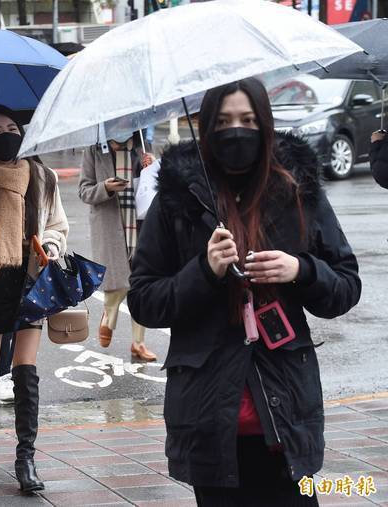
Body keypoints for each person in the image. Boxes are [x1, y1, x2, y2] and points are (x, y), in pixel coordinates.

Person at [128, 78, 361, 506]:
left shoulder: (296, 190)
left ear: (266, 125)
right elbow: (143, 299)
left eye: (248, 120)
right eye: (225, 121)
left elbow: (346, 285)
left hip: (287, 414)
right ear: (207, 128)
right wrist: (203, 270)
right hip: (210, 419)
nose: (237, 131)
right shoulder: (178, 199)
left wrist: (301, 270)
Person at [0, 104, 68, 493]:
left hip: (31, 276)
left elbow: (58, 224)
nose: (5, 135)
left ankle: (26, 458)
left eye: (11, 127)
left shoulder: (42, 175)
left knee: (25, 367)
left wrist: (50, 247)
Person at [78, 136, 157, 361]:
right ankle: (108, 318)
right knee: (116, 284)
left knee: (141, 284)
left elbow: (161, 183)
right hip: (109, 225)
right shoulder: (93, 150)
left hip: (141, 224)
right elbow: (84, 191)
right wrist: (106, 187)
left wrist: (154, 165)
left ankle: (138, 343)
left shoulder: (143, 145)